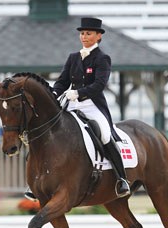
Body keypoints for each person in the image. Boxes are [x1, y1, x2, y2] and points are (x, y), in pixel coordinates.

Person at [25, 17, 130, 200]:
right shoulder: (73, 57)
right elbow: (62, 81)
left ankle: (122, 179)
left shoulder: (102, 58)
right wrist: (55, 94)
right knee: (47, 133)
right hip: (71, 104)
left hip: (92, 105)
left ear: (98, 36)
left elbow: (99, 85)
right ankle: (34, 182)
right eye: (82, 33)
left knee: (104, 134)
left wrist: (79, 92)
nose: (84, 36)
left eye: (88, 33)